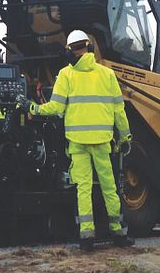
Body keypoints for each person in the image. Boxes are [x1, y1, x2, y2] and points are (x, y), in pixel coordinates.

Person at [18, 30, 133, 251]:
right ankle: (119, 234)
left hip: (78, 142)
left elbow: (55, 108)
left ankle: (86, 237)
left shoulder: (66, 75)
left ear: (70, 50)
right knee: (109, 187)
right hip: (102, 141)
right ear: (88, 47)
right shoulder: (107, 75)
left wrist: (32, 107)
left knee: (83, 188)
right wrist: (125, 136)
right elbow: (119, 110)